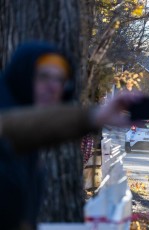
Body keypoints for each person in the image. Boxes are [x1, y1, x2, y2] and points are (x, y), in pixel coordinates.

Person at [0, 42, 141, 229]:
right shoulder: (10, 121)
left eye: (60, 79)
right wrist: (93, 116)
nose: (53, 87)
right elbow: (13, 125)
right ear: (22, 76)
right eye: (43, 76)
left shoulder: (32, 144)